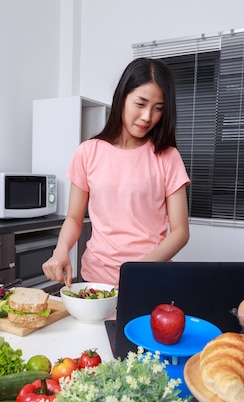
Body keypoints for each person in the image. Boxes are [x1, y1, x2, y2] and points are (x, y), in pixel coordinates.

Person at [42, 57, 190, 288]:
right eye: (140, 104)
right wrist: (61, 250)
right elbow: (74, 217)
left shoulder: (167, 157)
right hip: (96, 278)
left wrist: (139, 270)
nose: (147, 117)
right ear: (122, 98)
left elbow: (180, 232)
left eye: (158, 109)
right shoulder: (88, 152)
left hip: (149, 277)